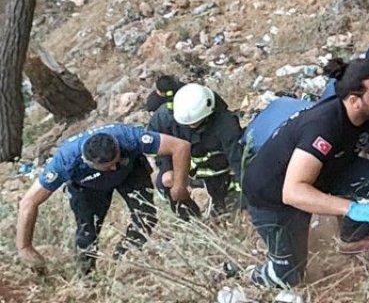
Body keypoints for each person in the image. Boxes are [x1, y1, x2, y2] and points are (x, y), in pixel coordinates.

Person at [239, 59, 369, 288]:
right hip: (274, 196)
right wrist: (350, 208)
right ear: (355, 100)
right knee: (289, 278)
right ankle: (255, 277)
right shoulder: (323, 127)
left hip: (328, 171)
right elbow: (293, 192)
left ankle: (353, 241)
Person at [15, 124, 193, 275]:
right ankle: (87, 277)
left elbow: (180, 146)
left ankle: (122, 259)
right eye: (108, 166)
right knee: (87, 235)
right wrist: (24, 247)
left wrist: (179, 186)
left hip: (130, 172)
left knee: (146, 217)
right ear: (89, 162)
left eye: (116, 161)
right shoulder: (65, 161)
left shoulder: (126, 136)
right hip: (87, 188)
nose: (114, 167)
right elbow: (28, 202)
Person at [148, 83, 245, 217]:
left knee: (225, 197)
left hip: (216, 170)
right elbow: (157, 143)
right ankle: (187, 217)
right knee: (167, 181)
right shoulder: (165, 117)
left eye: (196, 122)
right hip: (184, 167)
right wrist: (166, 168)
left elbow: (237, 160)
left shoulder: (225, 124)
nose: (192, 126)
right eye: (187, 124)